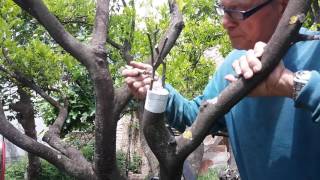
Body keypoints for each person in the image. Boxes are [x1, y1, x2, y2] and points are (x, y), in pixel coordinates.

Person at [122, 0, 320, 179]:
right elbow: (197, 118)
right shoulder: (233, 64)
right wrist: (160, 90)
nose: (225, 22)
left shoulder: (315, 51)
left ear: (283, 6)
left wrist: (291, 83)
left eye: (238, 11)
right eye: (224, 9)